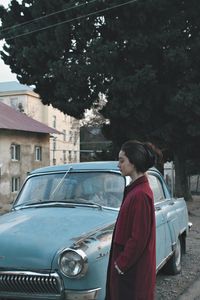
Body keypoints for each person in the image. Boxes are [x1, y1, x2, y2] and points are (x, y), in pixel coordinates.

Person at [105, 140, 158, 300]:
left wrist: (121, 264)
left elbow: (139, 237)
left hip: (132, 272)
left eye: (122, 160)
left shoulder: (140, 194)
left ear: (133, 162)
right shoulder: (136, 190)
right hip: (128, 269)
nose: (118, 164)